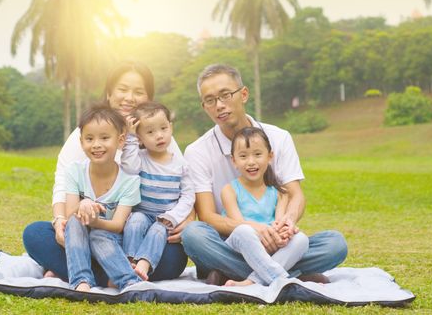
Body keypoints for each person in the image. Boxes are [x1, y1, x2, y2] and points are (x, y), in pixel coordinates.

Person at [23, 61, 189, 285]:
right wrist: (60, 219)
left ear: (148, 98)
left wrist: (185, 219)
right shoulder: (86, 133)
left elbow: (181, 182)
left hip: (137, 233)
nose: (129, 97)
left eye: (138, 92)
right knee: (35, 235)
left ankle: (77, 270)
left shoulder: (158, 137)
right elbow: (63, 183)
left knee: (174, 258)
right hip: (91, 227)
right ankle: (112, 274)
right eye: (122, 89)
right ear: (109, 93)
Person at [181, 64, 347, 286]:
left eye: (225, 95)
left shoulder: (279, 138)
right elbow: (208, 216)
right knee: (193, 235)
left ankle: (238, 275)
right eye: (210, 100)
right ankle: (291, 275)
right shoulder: (197, 151)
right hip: (231, 241)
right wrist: (253, 229)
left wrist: (284, 224)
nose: (219, 105)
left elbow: (295, 195)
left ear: (244, 94)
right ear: (204, 107)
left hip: (277, 239)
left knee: (335, 244)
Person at [64, 104, 142, 291]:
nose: (96, 144)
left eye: (105, 138)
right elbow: (69, 214)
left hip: (111, 243)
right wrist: (84, 204)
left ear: (120, 140)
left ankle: (128, 281)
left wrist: (95, 222)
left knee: (98, 235)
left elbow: (117, 226)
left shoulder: (129, 182)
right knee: (73, 222)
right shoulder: (75, 171)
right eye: (89, 139)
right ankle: (81, 280)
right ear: (81, 142)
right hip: (78, 241)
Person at [221, 127, 308, 287]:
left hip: (271, 245)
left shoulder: (280, 192)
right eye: (243, 156)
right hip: (241, 246)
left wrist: (285, 232)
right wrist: (263, 233)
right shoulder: (229, 190)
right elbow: (238, 224)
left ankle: (251, 282)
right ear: (234, 161)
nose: (251, 161)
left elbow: (279, 222)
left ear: (270, 156)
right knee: (243, 231)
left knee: (301, 239)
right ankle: (286, 281)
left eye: (258, 154)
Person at [120, 101, 194, 281]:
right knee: (135, 221)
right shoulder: (140, 158)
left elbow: (188, 196)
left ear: (171, 127)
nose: (159, 136)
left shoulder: (181, 164)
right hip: (143, 213)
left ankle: (144, 263)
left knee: (159, 231)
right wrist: (130, 138)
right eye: (150, 132)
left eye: (163, 128)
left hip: (166, 217)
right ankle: (128, 261)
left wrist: (174, 216)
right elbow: (128, 168)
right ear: (140, 137)